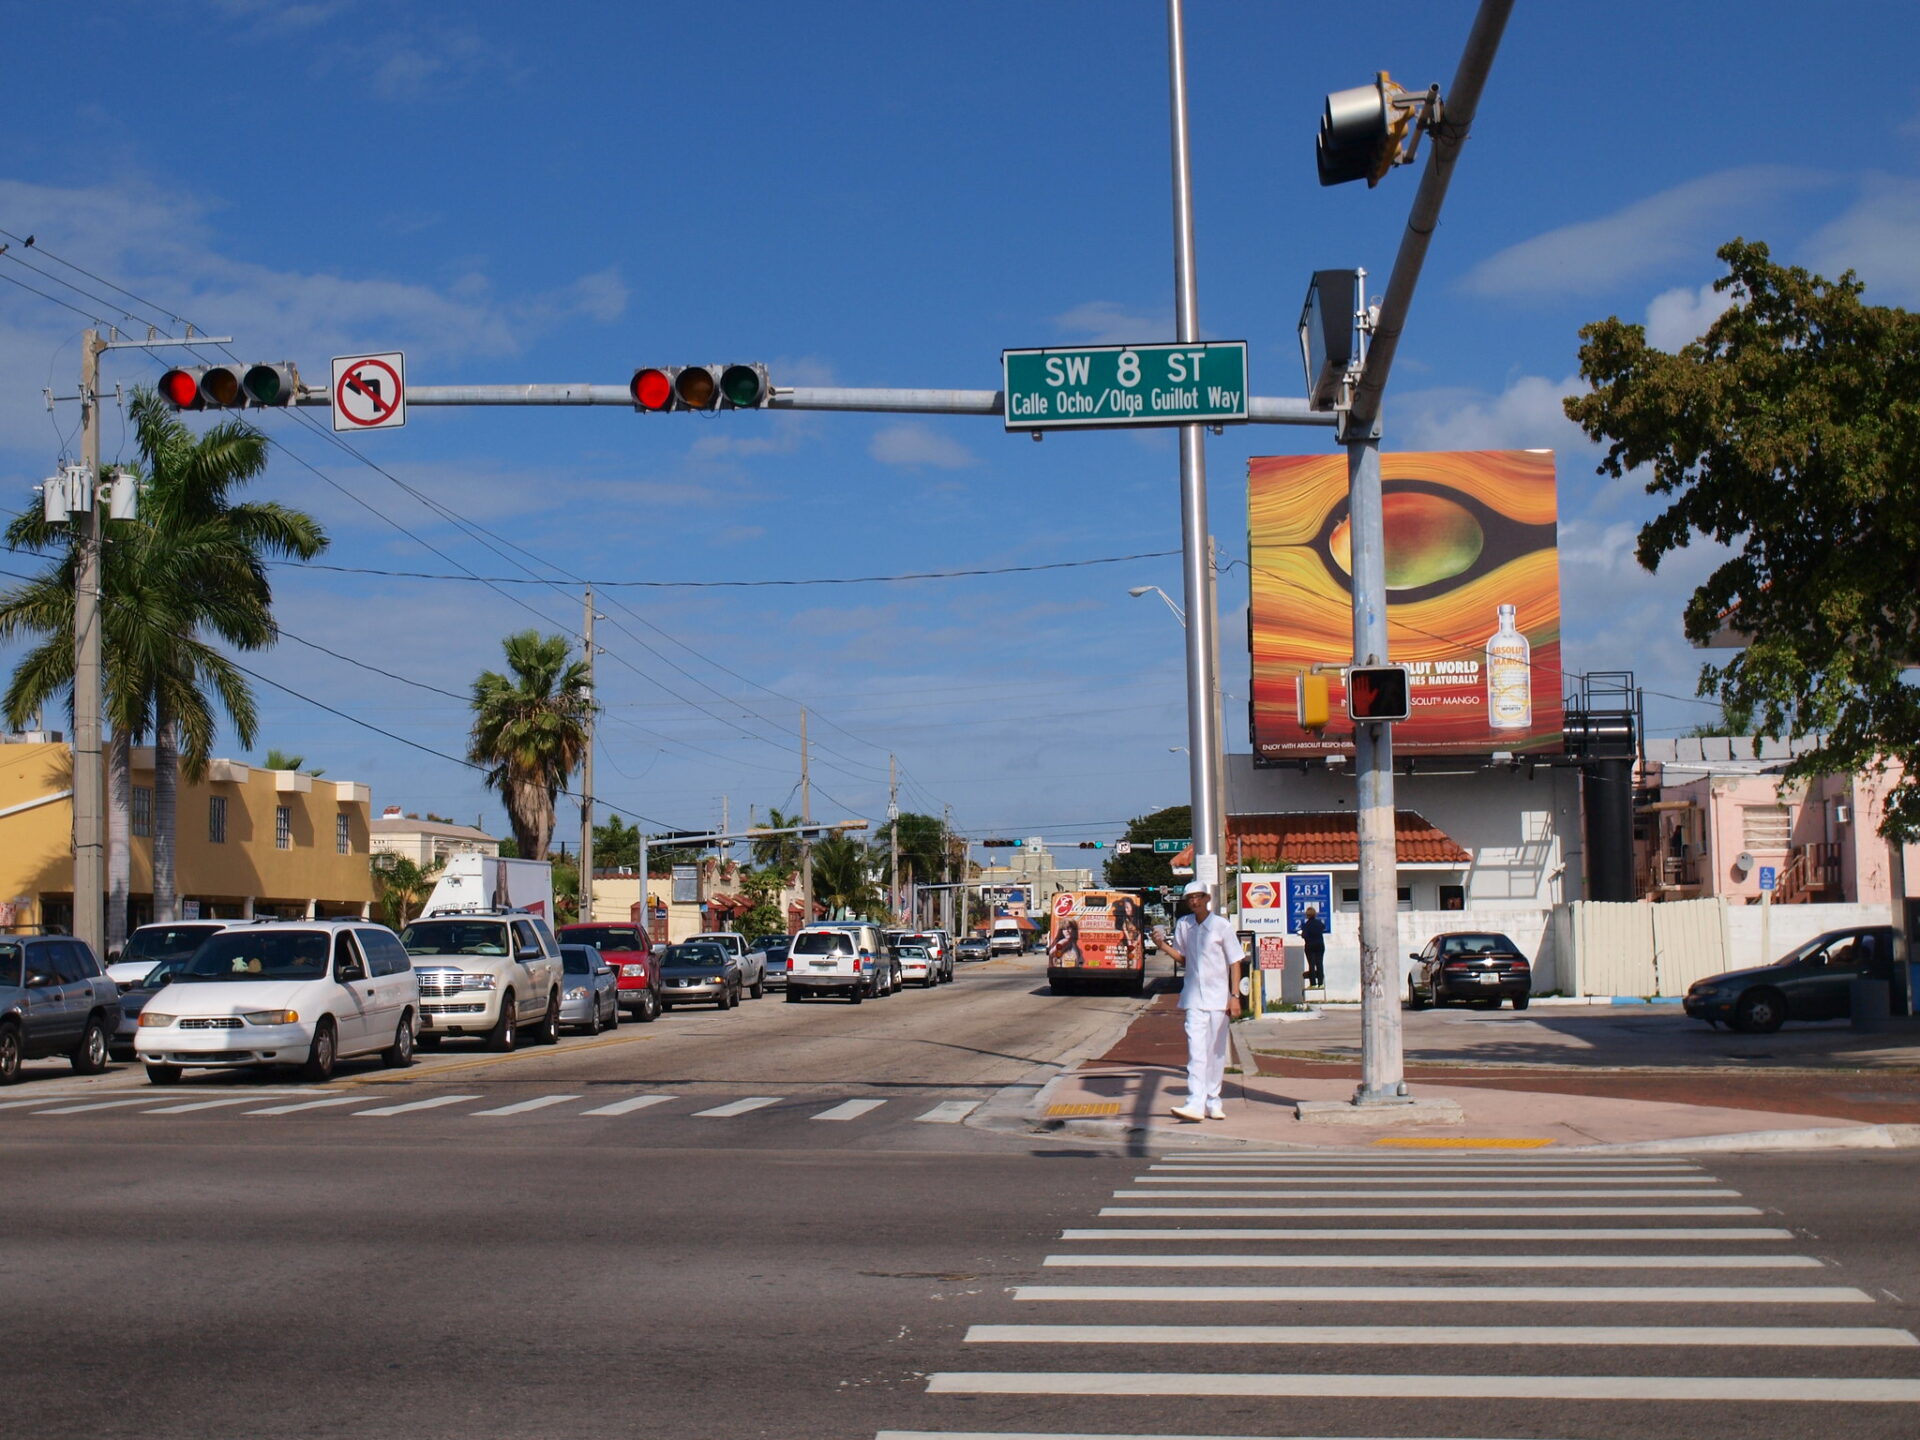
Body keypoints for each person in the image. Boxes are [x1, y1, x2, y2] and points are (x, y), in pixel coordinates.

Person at [1153, 879, 1246, 1123]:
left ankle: (1213, 1100)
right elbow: (1184, 958)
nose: (1194, 901)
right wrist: (1162, 945)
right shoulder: (1184, 925)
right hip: (1194, 997)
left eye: (1198, 896)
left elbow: (1235, 961)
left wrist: (1234, 996)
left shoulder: (1221, 926)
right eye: (1190, 898)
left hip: (1219, 998)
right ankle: (1195, 1102)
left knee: (1215, 1052)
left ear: (1207, 898)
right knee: (1196, 1052)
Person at [1298, 904, 1326, 988]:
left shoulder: (1306, 925)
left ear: (1307, 915)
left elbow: (1304, 935)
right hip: (1320, 945)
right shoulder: (1319, 923)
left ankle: (1313, 983)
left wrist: (1302, 934)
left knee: (1311, 964)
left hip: (1310, 947)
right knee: (1319, 963)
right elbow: (1323, 927)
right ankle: (1321, 983)